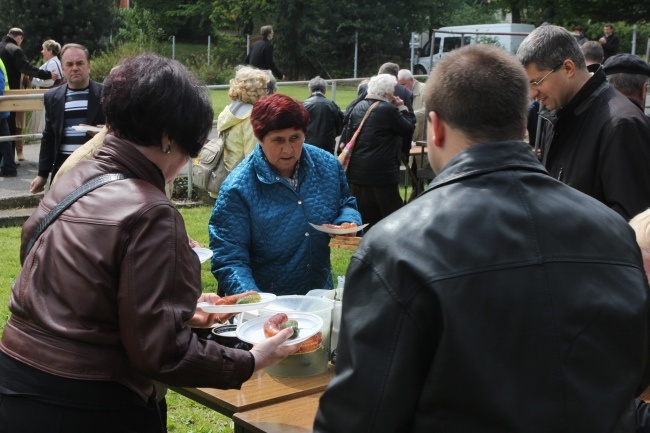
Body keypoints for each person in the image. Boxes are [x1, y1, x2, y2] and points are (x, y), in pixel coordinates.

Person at [314, 43, 650, 433]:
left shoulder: (396, 245)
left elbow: (359, 417)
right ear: (523, 127)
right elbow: (632, 373)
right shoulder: (614, 232)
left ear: (435, 127)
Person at [0, 53, 299, 433]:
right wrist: (253, 359)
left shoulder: (75, 176)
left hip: (15, 384)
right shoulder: (152, 212)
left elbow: (49, 268)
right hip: (89, 404)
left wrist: (173, 305)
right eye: (190, 149)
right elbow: (161, 354)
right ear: (169, 139)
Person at [209, 94, 362, 296]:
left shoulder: (327, 165)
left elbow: (345, 202)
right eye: (278, 140)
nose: (288, 149)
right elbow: (228, 257)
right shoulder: (238, 188)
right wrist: (254, 300)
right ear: (259, 138)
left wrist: (347, 221)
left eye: (295, 138)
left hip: (317, 297)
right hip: (268, 302)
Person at [517, 25, 650, 221]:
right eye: (528, 84)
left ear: (568, 68)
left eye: (536, 82)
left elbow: (633, 220)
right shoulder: (556, 110)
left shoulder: (621, 124)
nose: (532, 94)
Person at [341, 74, 415, 229]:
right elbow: (408, 128)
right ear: (387, 92)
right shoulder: (388, 109)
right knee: (391, 216)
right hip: (382, 173)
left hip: (357, 172)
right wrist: (403, 108)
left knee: (364, 217)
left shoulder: (357, 107)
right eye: (393, 90)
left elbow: (348, 137)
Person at [29, 43, 105, 194]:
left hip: (96, 172)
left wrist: (105, 132)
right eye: (69, 64)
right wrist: (42, 174)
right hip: (63, 172)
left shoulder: (106, 94)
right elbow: (49, 136)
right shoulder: (52, 97)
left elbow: (119, 131)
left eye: (80, 63)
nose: (74, 68)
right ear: (63, 69)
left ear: (89, 66)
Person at [0, 28, 58, 162]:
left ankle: (3, 160)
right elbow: (26, 68)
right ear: (20, 37)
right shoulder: (14, 49)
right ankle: (8, 161)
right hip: (12, 95)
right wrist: (47, 74)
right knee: (10, 128)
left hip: (1, 93)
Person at [215, 65, 270, 191]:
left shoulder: (228, 111)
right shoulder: (251, 116)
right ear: (255, 91)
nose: (267, 93)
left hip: (225, 177)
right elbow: (253, 155)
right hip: (243, 183)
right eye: (265, 88)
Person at [26, 39, 64, 141]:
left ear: (50, 51)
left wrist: (32, 79)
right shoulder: (52, 62)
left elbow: (48, 82)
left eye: (44, 49)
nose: (42, 52)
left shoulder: (53, 63)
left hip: (50, 96)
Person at [303, 76, 344, 154]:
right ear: (325, 91)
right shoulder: (332, 106)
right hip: (327, 147)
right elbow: (340, 127)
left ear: (310, 91)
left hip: (307, 146)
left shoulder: (303, 105)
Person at [0, 58, 14, 177]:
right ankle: (9, 167)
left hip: (1, 107)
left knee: (4, 141)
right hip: (2, 108)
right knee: (4, 140)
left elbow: (0, 85)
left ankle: (9, 167)